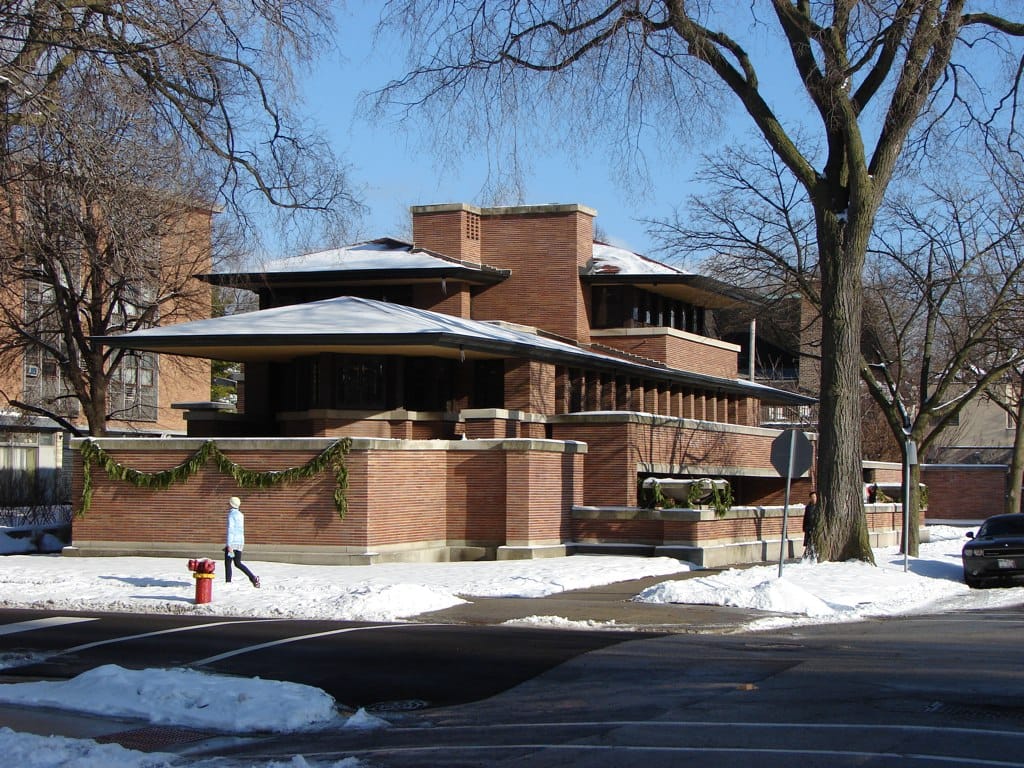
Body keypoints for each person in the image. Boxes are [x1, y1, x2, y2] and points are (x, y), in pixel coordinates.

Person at [225, 496, 260, 587]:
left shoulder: (231, 515)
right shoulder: (241, 515)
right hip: (239, 543)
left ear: (231, 504)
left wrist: (229, 545)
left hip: (232, 544)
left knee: (228, 562)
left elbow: (231, 530)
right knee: (237, 562)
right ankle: (253, 578)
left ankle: (228, 583)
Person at [802, 491, 819, 561]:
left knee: (814, 543)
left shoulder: (819, 507)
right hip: (808, 528)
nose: (813, 499)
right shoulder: (808, 507)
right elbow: (805, 517)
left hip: (816, 528)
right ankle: (807, 557)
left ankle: (814, 556)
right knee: (809, 543)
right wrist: (804, 527)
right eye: (812, 497)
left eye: (814, 497)